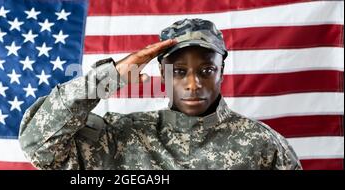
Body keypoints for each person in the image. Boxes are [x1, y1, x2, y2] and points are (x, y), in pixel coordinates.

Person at [18, 18, 302, 170]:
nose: (193, 84)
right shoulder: (122, 137)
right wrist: (109, 77)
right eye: (179, 72)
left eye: (205, 71)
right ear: (163, 75)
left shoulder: (263, 145)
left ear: (221, 72)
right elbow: (37, 144)